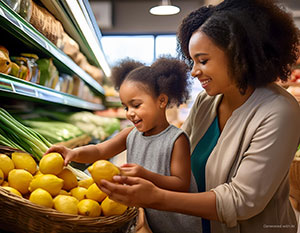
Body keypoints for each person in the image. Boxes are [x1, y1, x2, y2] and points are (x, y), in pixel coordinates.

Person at [98, 0, 300, 232]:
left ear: (239, 54)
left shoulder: (279, 111)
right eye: (192, 60)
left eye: (203, 61)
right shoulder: (208, 101)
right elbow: (177, 156)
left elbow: (242, 201)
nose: (194, 71)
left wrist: (154, 197)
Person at [45, 57, 203, 233]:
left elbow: (181, 184)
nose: (129, 113)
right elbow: (99, 150)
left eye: (136, 105)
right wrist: (73, 153)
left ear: (162, 101)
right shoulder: (131, 134)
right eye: (126, 107)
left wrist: (144, 174)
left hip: (176, 224)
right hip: (148, 221)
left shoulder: (176, 139)